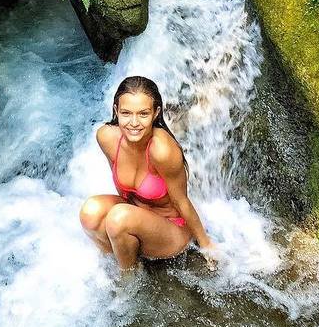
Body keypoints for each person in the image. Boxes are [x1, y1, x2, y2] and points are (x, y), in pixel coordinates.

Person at [79, 75, 217, 270]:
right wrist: (130, 226)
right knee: (90, 211)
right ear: (116, 111)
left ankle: (128, 277)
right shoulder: (106, 137)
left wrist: (206, 245)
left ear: (155, 113)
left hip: (171, 228)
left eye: (143, 114)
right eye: (126, 113)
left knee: (118, 217)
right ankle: (123, 256)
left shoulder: (162, 150)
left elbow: (181, 201)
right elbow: (123, 192)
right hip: (135, 216)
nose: (134, 123)